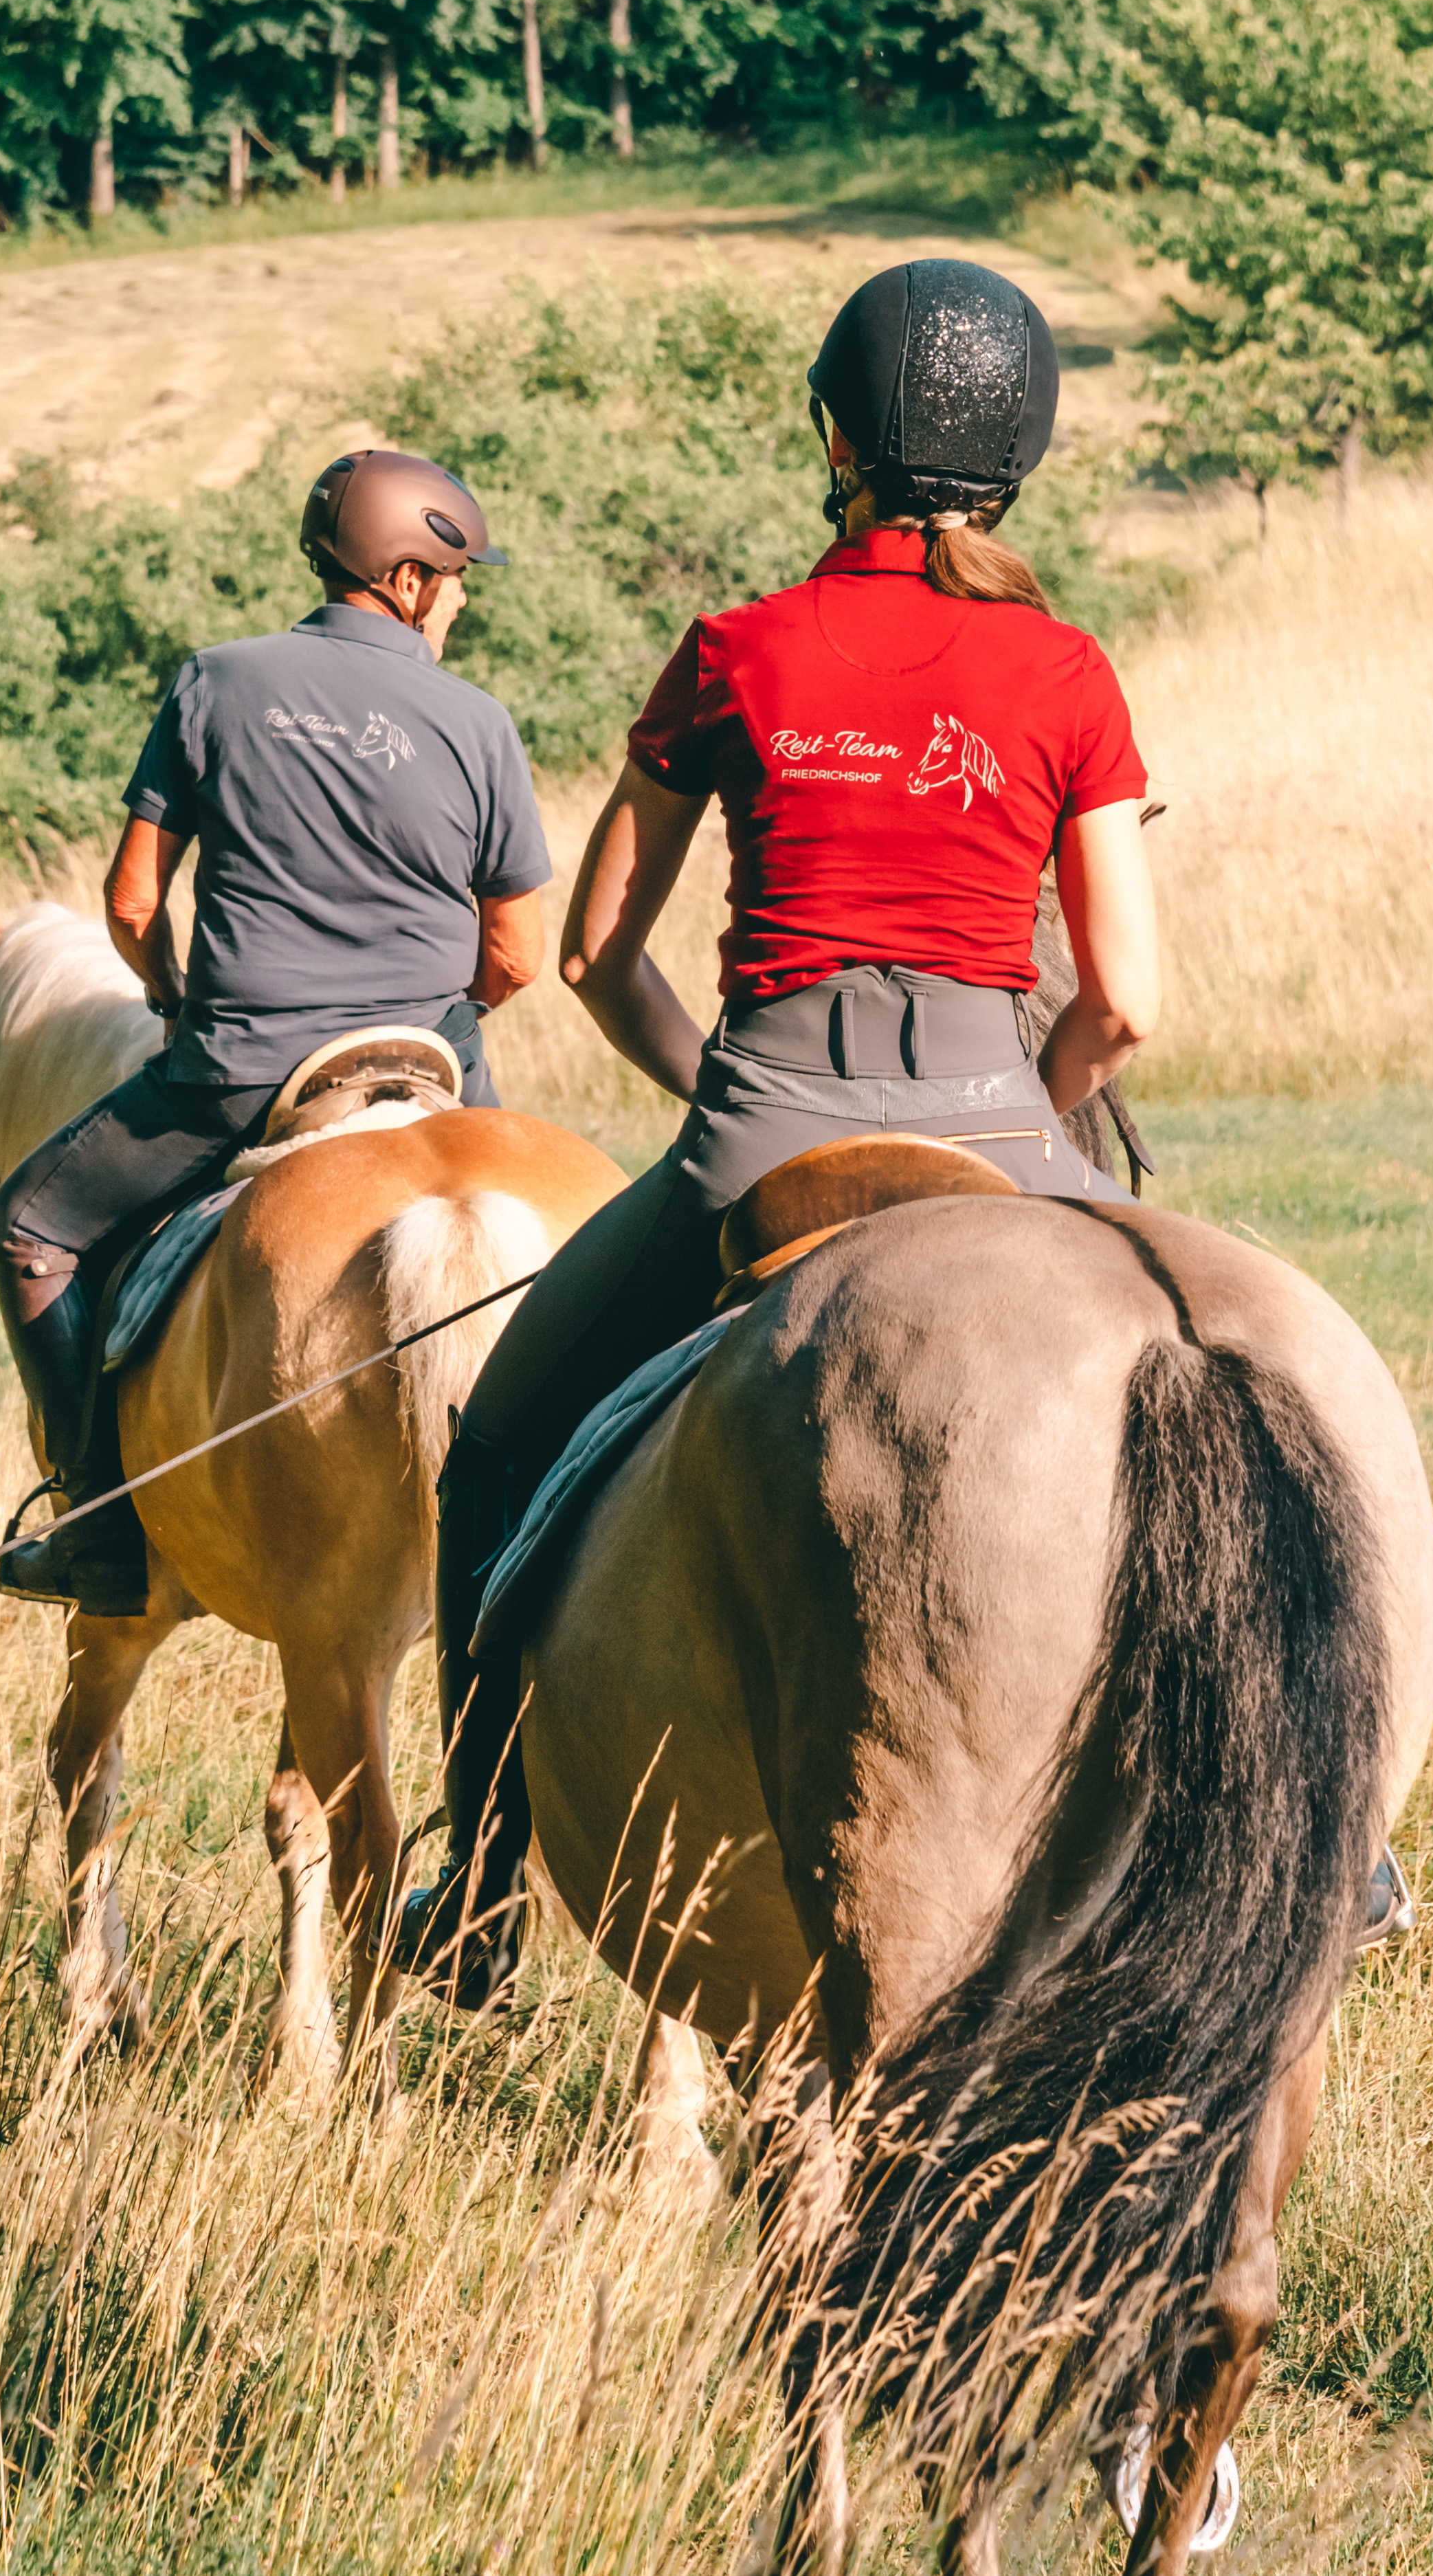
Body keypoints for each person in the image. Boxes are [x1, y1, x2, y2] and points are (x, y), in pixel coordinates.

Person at [394, 256, 1160, 2001]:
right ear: (1019, 457)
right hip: (1007, 1128)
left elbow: (592, 950)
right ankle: (1355, 1855)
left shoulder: (736, 649)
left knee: (505, 1446)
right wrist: (1025, 1126)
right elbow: (1125, 999)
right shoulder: (1067, 671)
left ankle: (484, 1873)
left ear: (834, 437)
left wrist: (730, 1090)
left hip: (757, 1139)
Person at [0, 449, 559, 1614]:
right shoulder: (479, 722)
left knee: (33, 1227)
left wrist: (169, 999)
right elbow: (515, 955)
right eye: (455, 581)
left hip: (243, 1069)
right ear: (403, 578)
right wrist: (453, 1019)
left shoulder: (214, 681)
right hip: (434, 1065)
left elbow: (133, 904)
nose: (458, 601)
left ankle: (93, 1525)